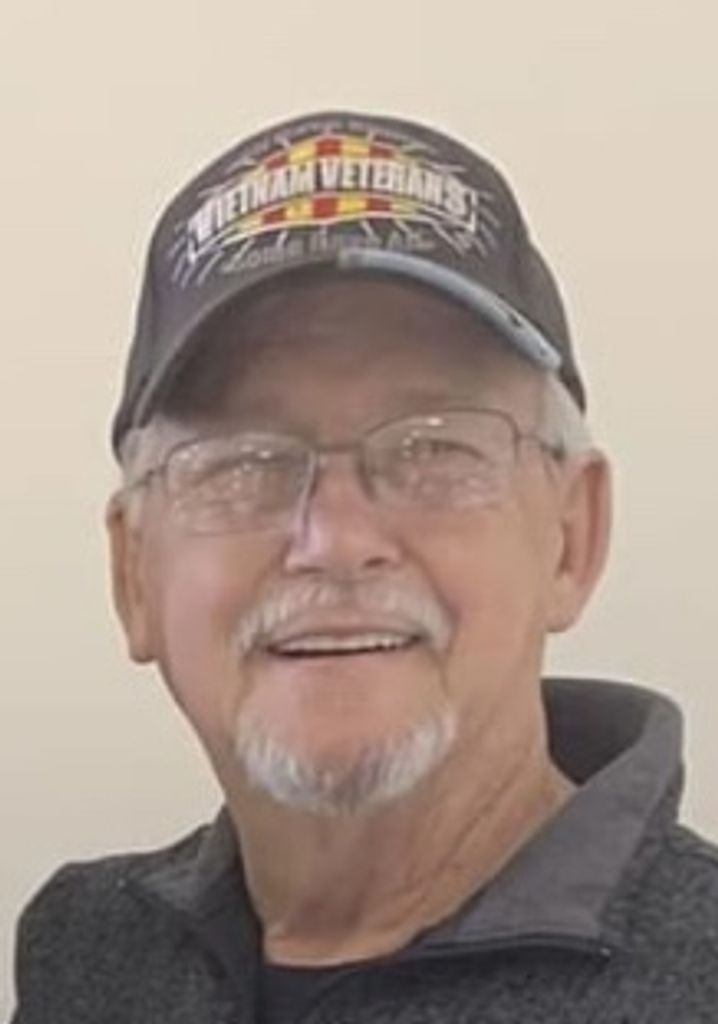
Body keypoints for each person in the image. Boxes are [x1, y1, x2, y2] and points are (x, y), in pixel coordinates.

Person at [11, 110, 718, 1023]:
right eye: (240, 462)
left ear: (572, 538)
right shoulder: (89, 956)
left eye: (435, 449)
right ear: (133, 577)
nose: (335, 538)